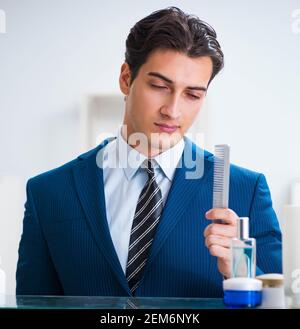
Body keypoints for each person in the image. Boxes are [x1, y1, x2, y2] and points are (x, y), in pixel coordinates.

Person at [16, 7, 282, 297]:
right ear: (126, 79)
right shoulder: (49, 192)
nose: (172, 110)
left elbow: (277, 302)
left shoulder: (247, 191)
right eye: (158, 86)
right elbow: (34, 303)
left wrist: (242, 272)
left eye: (192, 94)